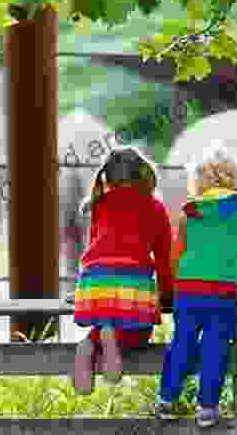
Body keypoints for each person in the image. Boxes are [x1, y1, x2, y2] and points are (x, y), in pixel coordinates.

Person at [155, 142, 237, 427]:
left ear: (197, 179)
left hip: (188, 292)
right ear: (234, 176)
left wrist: (167, 291)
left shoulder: (189, 212)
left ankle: (166, 400)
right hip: (224, 294)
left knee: (182, 343)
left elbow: (175, 256)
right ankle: (207, 409)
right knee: (216, 347)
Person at [72, 146, 174, 395]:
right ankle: (109, 338)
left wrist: (81, 291)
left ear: (107, 176)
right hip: (131, 283)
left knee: (110, 317)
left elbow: (96, 253)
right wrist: (168, 295)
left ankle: (92, 341)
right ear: (142, 174)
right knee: (140, 330)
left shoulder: (98, 205)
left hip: (94, 285)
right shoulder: (156, 207)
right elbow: (164, 260)